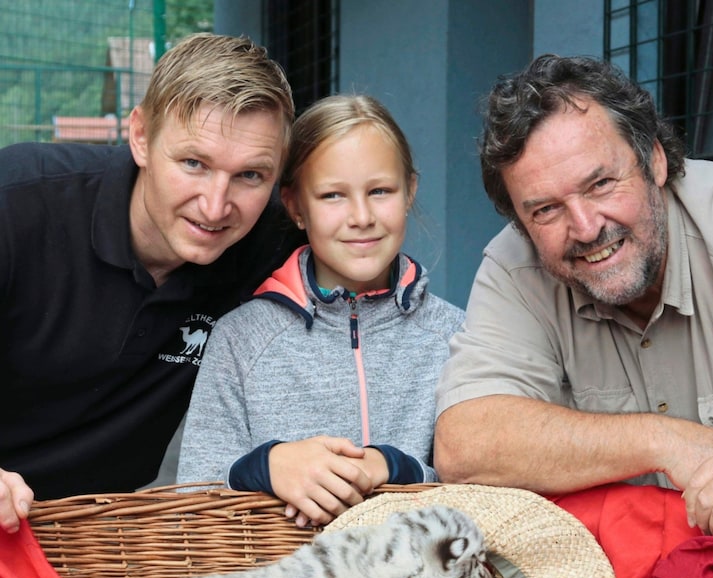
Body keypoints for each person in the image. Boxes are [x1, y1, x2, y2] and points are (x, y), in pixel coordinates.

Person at [434, 53, 713, 536]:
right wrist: (663, 441)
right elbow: (466, 445)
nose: (586, 228)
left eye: (601, 183)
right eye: (545, 210)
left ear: (655, 160)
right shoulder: (514, 268)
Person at [0, 33, 304, 533]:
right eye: (193, 164)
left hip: (105, 545)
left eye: (250, 175)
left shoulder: (272, 241)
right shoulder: (19, 203)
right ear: (140, 136)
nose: (215, 206)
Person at [177, 94, 465, 526]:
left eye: (380, 191)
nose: (362, 216)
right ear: (295, 207)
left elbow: (486, 486)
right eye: (333, 195)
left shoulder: (457, 335)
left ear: (410, 191)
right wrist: (268, 466)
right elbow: (193, 497)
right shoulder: (241, 339)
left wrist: (395, 468)